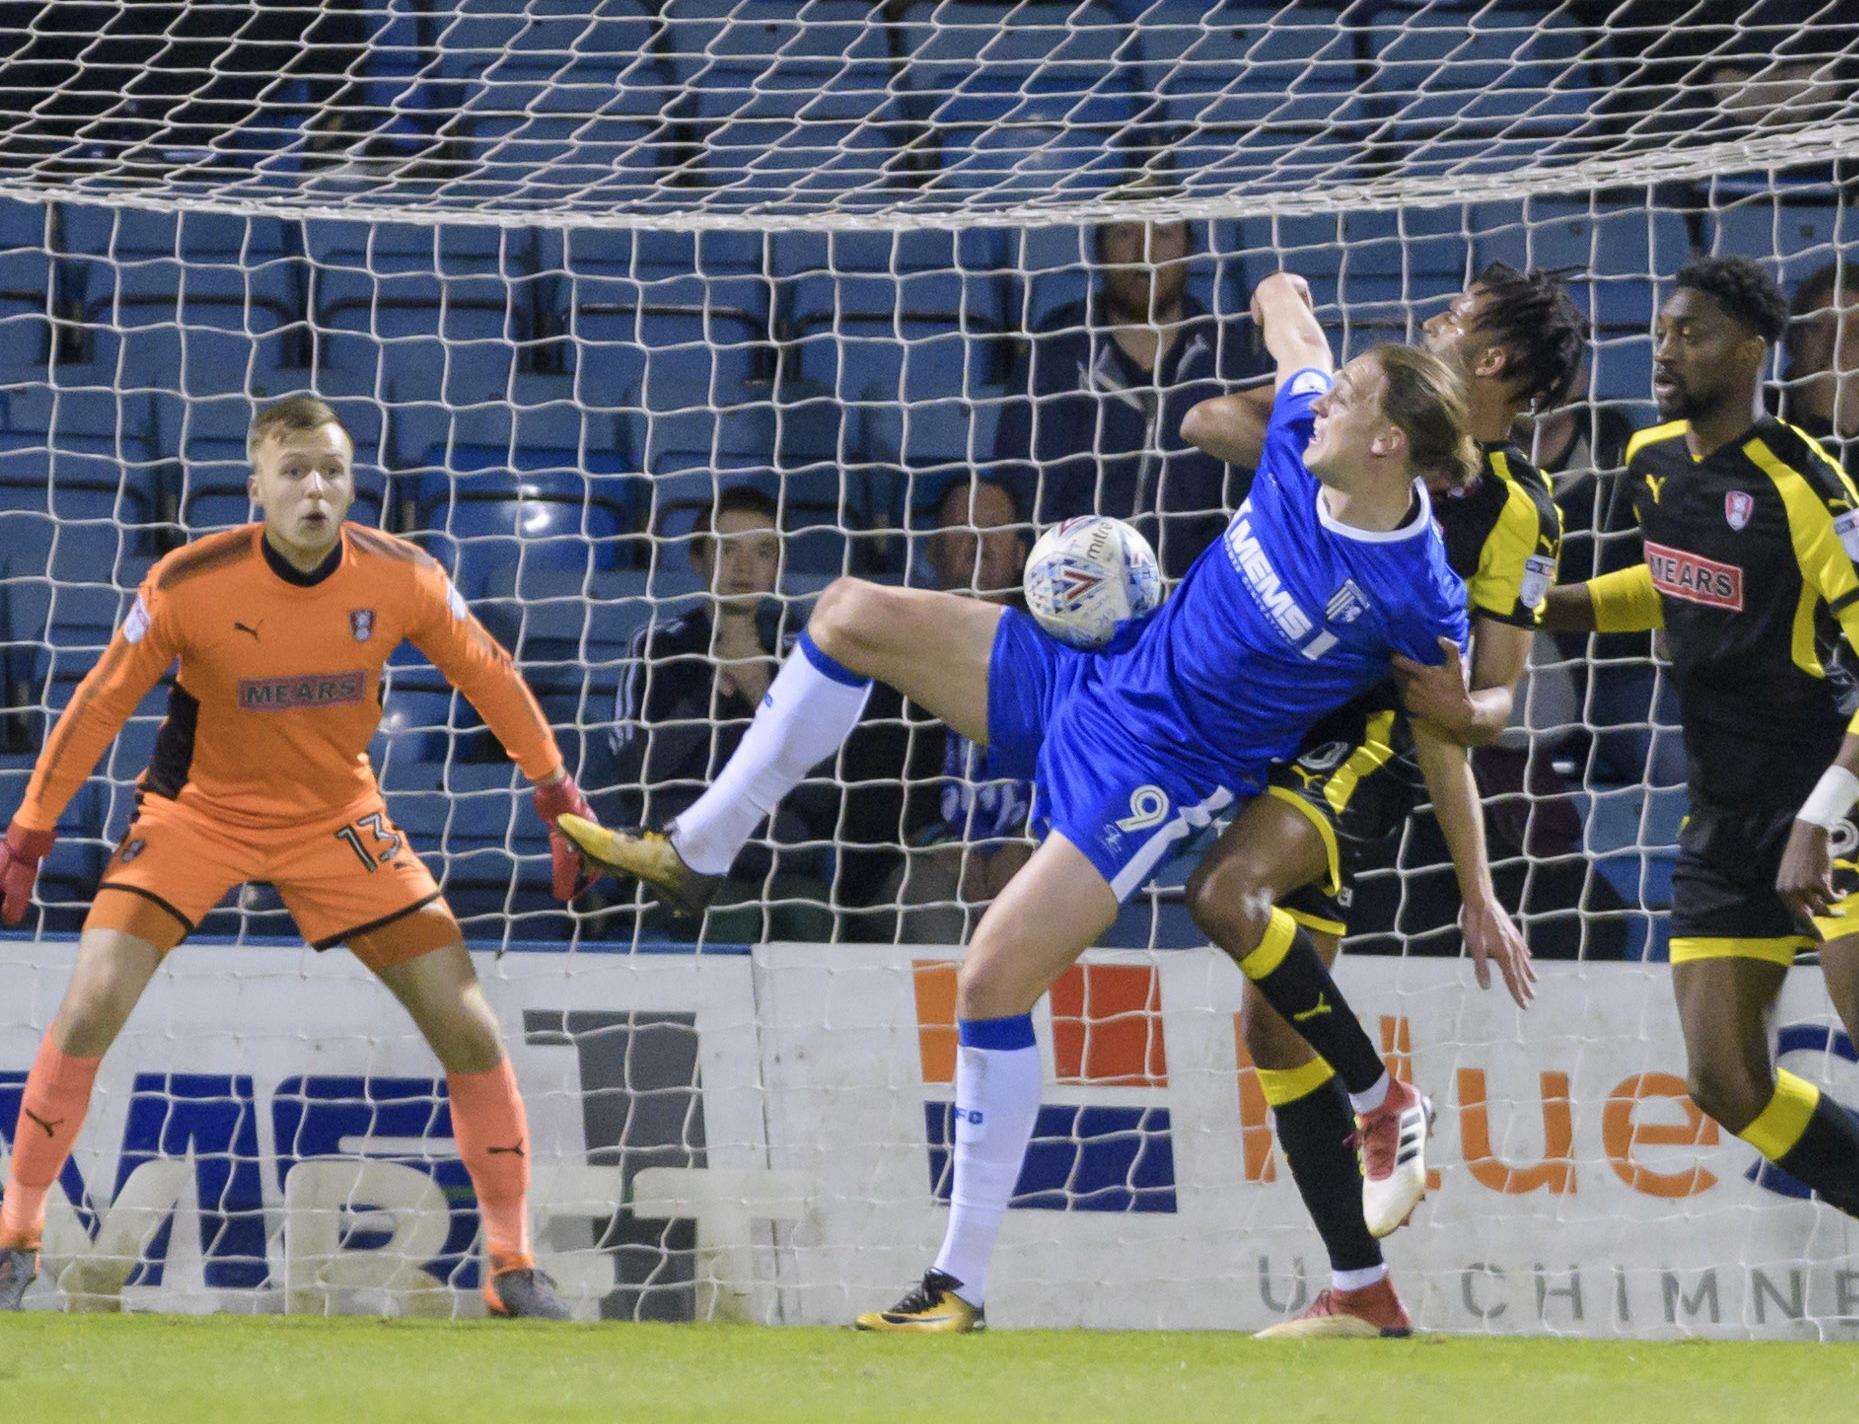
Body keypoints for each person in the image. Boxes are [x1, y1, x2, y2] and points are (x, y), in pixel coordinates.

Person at [556, 271, 1529, 1332]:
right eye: (1331, 389)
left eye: (1346, 398)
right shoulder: (1305, 432)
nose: (1320, 399)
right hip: (1091, 672)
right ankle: (697, 849)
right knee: (845, 613)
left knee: (986, 979)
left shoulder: (1413, 588)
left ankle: (955, 1283)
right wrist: (1275, 285)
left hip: (1154, 774)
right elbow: (1292, 324)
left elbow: (1446, 732)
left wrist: (1477, 823)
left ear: (1387, 442)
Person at [0, 396, 593, 1319]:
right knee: (89, 1005)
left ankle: (512, 1267)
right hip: (197, 814)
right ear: (258, 489)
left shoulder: (405, 577)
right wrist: (32, 830)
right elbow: (98, 706)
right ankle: (18, 1237)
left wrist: (555, 792)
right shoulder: (189, 581)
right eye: (294, 471)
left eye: (331, 470)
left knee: (469, 1025)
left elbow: (490, 675)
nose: (315, 488)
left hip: (337, 819)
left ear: (351, 484)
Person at [1178, 263, 1583, 1337]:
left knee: (1224, 894)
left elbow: (1493, 692)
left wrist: (1471, 715)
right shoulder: (1371, 411)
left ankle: (1382, 1103)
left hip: (1376, 741)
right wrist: (1290, 445)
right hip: (1294, 709)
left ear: (1490, 358)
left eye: (1452, 319)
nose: (1429, 325)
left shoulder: (1513, 508)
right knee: (1270, 1028)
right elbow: (1206, 415)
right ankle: (1359, 1289)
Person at [1543, 256, 1859, 1225]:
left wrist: (1821, 815)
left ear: (1752, 351)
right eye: (1662, 332)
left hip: (1828, 811)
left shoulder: (1807, 484)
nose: (1666, 350)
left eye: (1692, 334)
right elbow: (1667, 582)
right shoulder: (1649, 461)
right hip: (1722, 817)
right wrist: (1549, 608)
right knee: (1722, 1079)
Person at [611, 486, 832, 942]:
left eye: (762, 551)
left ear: (777, 567)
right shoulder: (656, 646)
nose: (743, 566)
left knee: (811, 917)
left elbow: (825, 793)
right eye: (727, 548)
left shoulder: (805, 656)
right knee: (729, 916)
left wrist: (758, 689)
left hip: (777, 853)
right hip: (685, 849)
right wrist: (712, 688)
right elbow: (635, 772)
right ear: (698, 560)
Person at [993, 215, 1270, 578]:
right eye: (1125, 234)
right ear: (1099, 249)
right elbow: (1022, 486)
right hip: (1074, 588)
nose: (1144, 253)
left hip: (1205, 593)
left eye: (1164, 234)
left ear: (1190, 247)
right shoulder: (1054, 349)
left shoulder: (1233, 357)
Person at [883, 479, 1036, 943]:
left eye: (994, 529)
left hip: (1038, 855)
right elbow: (871, 797)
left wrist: (1030, 843)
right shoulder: (896, 651)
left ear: (1021, 553)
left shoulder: (1061, 653)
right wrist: (941, 846)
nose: (978, 542)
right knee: (935, 916)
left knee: (1056, 907)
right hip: (926, 862)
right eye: (961, 529)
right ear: (933, 551)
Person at [1784, 260, 1859, 475]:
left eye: (1855, 332)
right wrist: (1824, 425)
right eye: (1818, 326)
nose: (1836, 344)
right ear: (1793, 339)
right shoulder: (1753, 412)